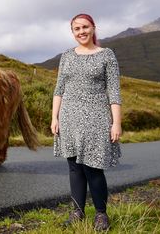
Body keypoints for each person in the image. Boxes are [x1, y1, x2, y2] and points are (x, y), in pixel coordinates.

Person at [51, 13, 122, 231]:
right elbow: (59, 89)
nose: (81, 32)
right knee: (74, 168)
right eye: (76, 29)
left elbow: (114, 91)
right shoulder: (67, 56)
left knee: (93, 168)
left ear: (93, 28)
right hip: (69, 118)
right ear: (72, 32)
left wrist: (116, 122)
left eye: (85, 27)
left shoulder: (106, 55)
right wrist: (54, 117)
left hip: (97, 119)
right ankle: (77, 213)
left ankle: (101, 215)